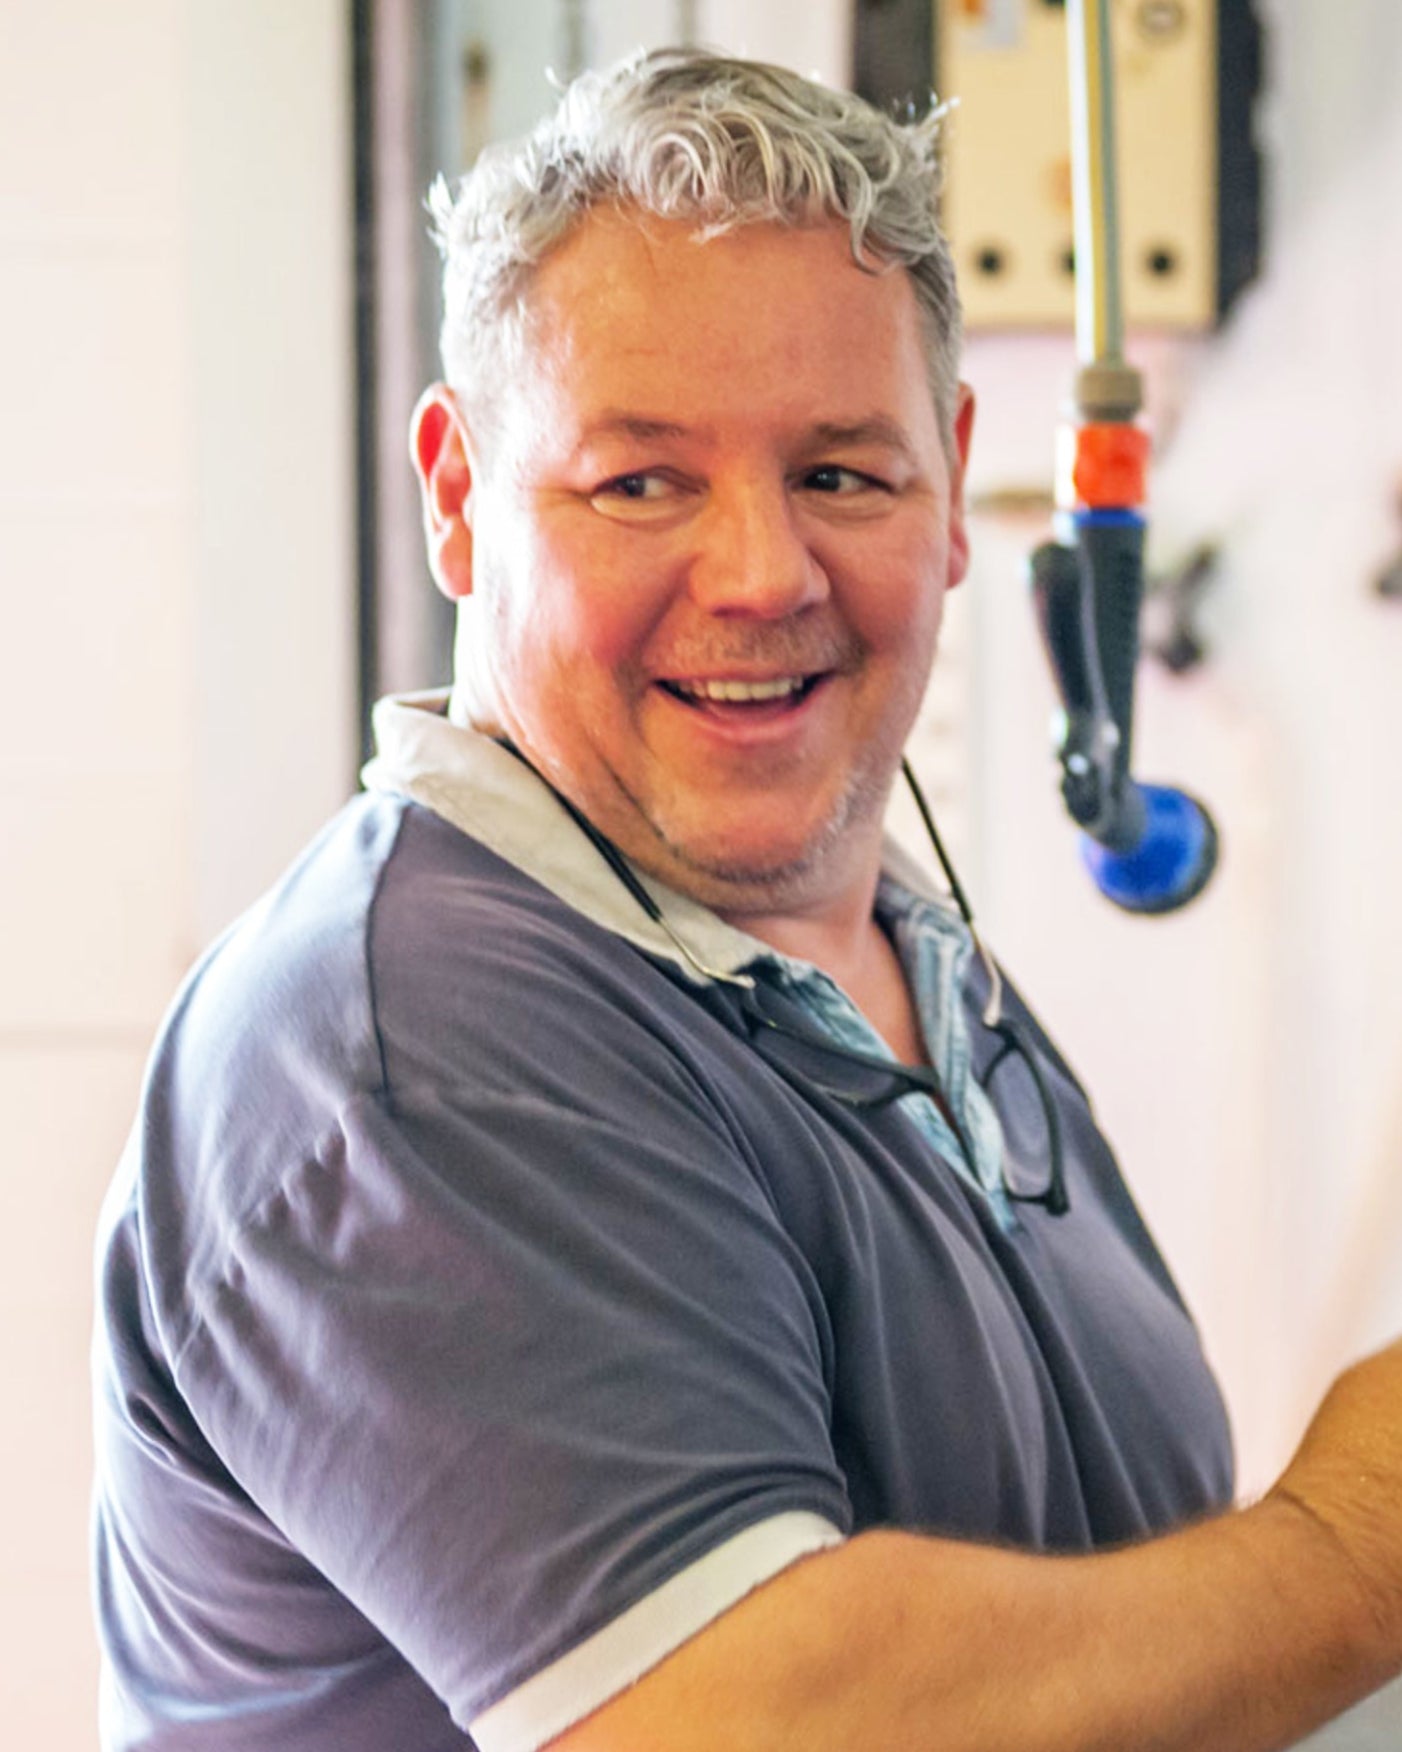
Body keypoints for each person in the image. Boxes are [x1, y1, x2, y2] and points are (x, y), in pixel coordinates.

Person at [92, 46, 1402, 1752]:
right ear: (456, 500)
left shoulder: (898, 971)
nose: (762, 573)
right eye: (638, 482)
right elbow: (752, 1725)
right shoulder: (403, 1048)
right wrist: (1351, 1540)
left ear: (949, 491)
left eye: (839, 474)